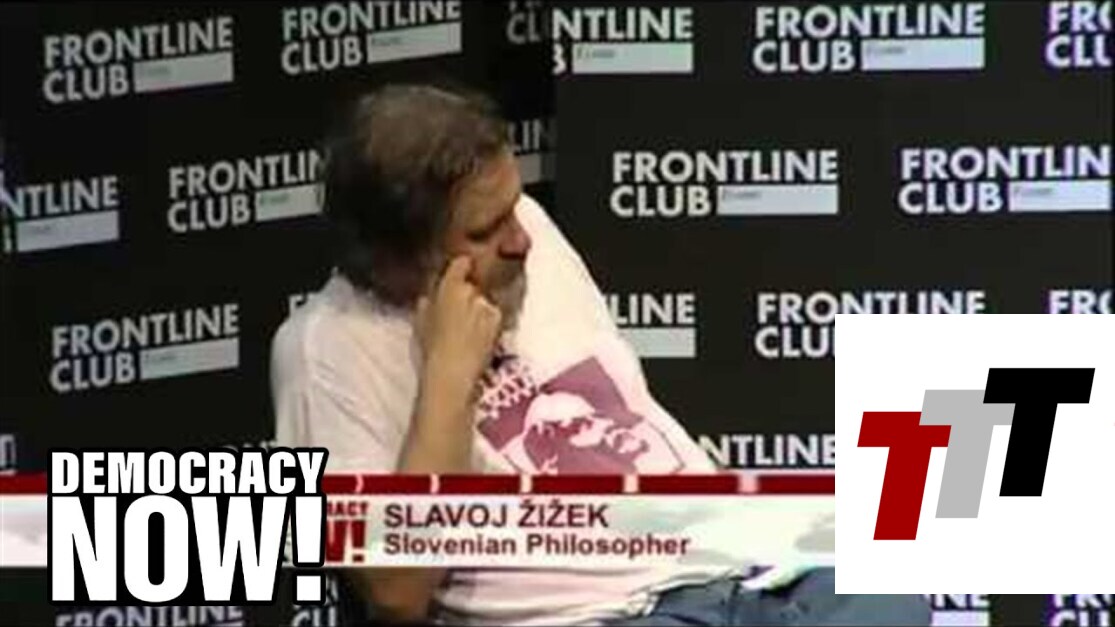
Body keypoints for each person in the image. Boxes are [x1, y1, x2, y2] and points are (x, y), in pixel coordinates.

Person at [270, 83, 930, 627]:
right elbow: (396, 591)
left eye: (515, 206)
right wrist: (448, 375)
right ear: (397, 253)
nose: (520, 240)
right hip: (610, 614)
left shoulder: (528, 234)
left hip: (747, 570)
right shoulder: (324, 350)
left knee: (890, 591)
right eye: (485, 230)